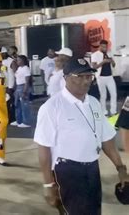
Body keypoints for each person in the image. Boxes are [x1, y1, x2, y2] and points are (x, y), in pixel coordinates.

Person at [34, 58, 129, 214]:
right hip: (66, 172)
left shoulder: (93, 103)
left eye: (89, 76)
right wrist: (48, 185)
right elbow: (43, 148)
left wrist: (121, 169)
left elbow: (106, 139)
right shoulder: (52, 107)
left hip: (92, 169)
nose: (86, 81)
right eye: (80, 76)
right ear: (66, 78)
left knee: (94, 211)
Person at [91, 40, 117, 116]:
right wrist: (103, 62)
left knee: (114, 94)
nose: (104, 48)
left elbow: (114, 65)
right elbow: (94, 67)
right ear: (99, 46)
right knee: (103, 95)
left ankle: (113, 111)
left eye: (105, 46)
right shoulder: (95, 54)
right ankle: (103, 111)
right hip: (100, 77)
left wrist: (112, 61)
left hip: (110, 76)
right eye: (102, 46)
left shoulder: (109, 53)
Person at [12, 55, 32, 128]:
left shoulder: (26, 69)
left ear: (23, 61)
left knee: (24, 105)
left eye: (19, 60)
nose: (17, 61)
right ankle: (19, 120)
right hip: (18, 87)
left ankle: (26, 122)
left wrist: (24, 91)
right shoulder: (19, 68)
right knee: (17, 105)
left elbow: (27, 81)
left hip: (23, 86)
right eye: (17, 60)